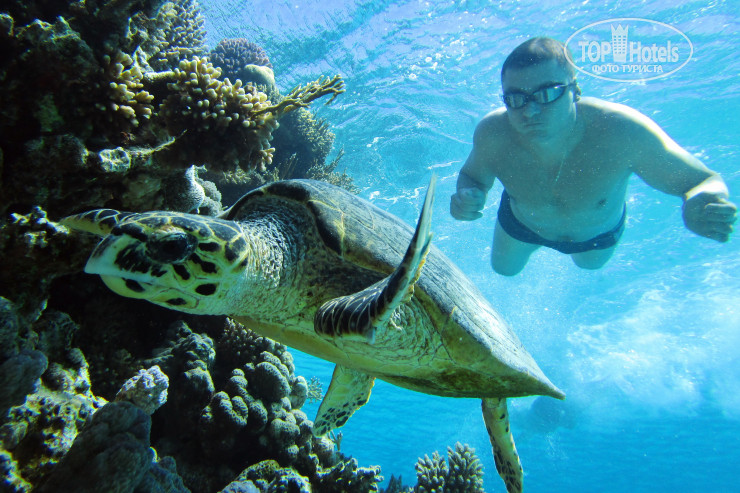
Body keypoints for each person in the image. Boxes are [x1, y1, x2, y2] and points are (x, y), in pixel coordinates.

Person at [450, 37, 737, 276]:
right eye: (516, 99)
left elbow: (704, 180)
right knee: (504, 270)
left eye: (547, 93)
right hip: (523, 224)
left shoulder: (622, 131)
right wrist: (467, 195)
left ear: (575, 90)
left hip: (595, 237)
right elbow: (472, 176)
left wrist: (702, 201)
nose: (530, 111)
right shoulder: (493, 133)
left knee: (589, 266)